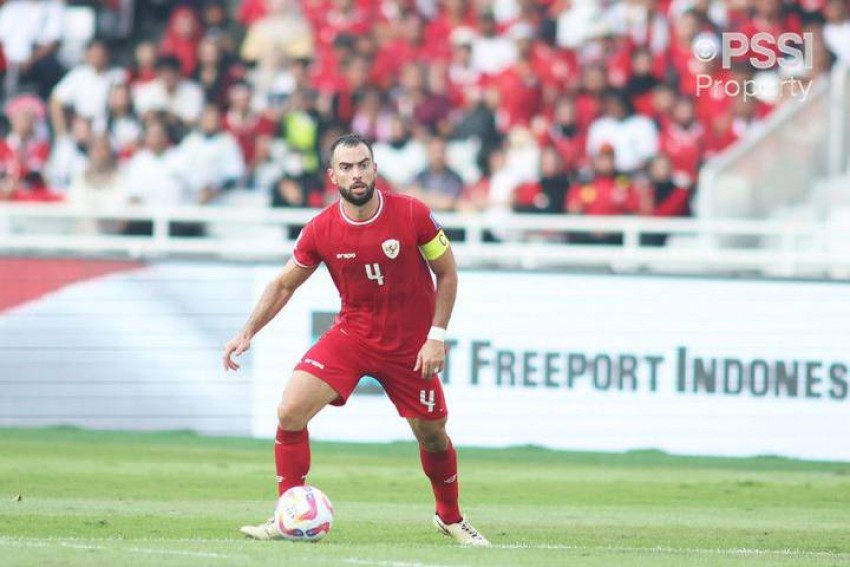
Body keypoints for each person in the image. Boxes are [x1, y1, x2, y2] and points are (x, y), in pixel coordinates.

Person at [223, 133, 489, 546]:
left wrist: (436, 337)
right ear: (333, 176)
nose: (356, 174)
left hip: (409, 346)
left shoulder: (413, 213)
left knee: (433, 435)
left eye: (363, 164)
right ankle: (289, 514)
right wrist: (247, 331)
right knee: (290, 410)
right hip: (354, 335)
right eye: (346, 167)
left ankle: (450, 517)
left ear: (375, 168)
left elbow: (448, 273)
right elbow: (283, 285)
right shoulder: (321, 229)